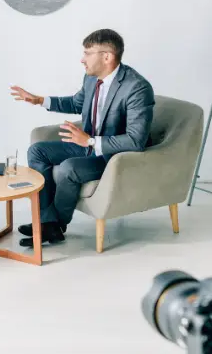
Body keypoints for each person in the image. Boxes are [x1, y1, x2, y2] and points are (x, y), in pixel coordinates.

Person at [10, 29, 154, 247]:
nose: (82, 59)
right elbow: (77, 103)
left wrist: (90, 141)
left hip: (113, 156)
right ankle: (48, 221)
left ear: (107, 57)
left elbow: (136, 140)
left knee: (69, 167)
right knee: (37, 150)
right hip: (87, 144)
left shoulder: (136, 88)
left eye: (87, 53)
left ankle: (54, 225)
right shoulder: (91, 79)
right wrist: (40, 100)